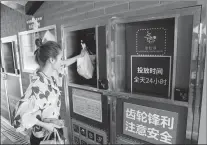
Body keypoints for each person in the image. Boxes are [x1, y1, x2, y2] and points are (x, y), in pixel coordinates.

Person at [12, 39, 84, 145]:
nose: (62, 61)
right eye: (60, 58)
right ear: (51, 60)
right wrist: (44, 125)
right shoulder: (36, 86)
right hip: (42, 138)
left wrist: (80, 56)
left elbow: (64, 63)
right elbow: (19, 117)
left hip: (53, 130)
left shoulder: (51, 75)